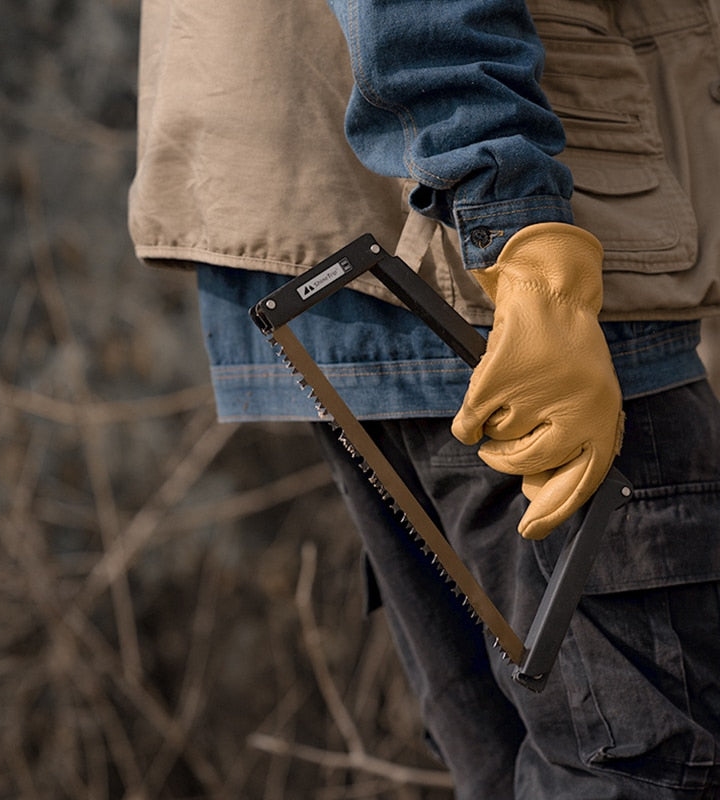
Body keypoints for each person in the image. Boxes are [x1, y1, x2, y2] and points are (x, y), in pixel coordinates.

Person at [129, 0, 720, 796]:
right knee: (656, 761)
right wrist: (515, 223)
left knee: (538, 759)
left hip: (351, 234)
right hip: (506, 258)